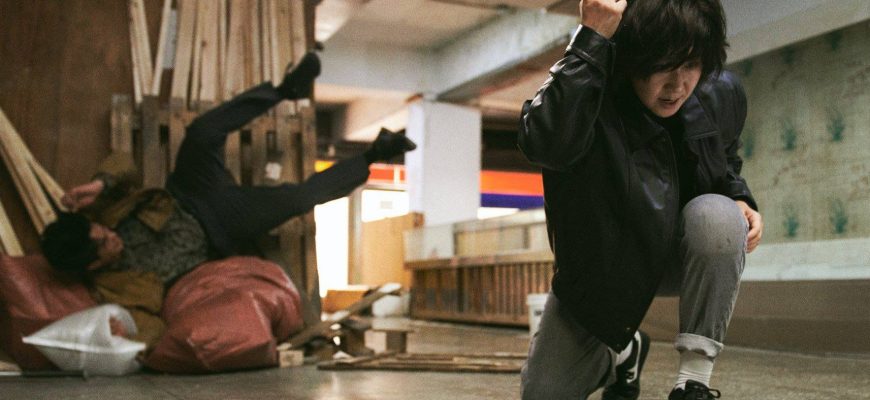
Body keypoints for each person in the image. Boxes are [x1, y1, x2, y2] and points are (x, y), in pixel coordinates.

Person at [39, 52, 416, 347]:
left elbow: (124, 166)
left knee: (201, 132)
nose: (110, 236)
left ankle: (285, 90)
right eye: (103, 245)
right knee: (298, 198)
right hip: (219, 227)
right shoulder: (113, 289)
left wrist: (101, 184)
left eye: (102, 231)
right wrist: (129, 337)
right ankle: (375, 154)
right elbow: (152, 326)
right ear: (92, 265)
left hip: (189, 190)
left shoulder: (103, 216)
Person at [518, 0, 763, 399]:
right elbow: (545, 144)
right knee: (544, 393)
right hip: (602, 270)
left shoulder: (721, 94)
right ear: (633, 58)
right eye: (662, 66)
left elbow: (725, 160)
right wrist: (591, 37)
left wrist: (738, 197)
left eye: (690, 65)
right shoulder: (591, 94)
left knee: (719, 215)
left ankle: (693, 382)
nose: (677, 85)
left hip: (674, 254)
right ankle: (623, 353)